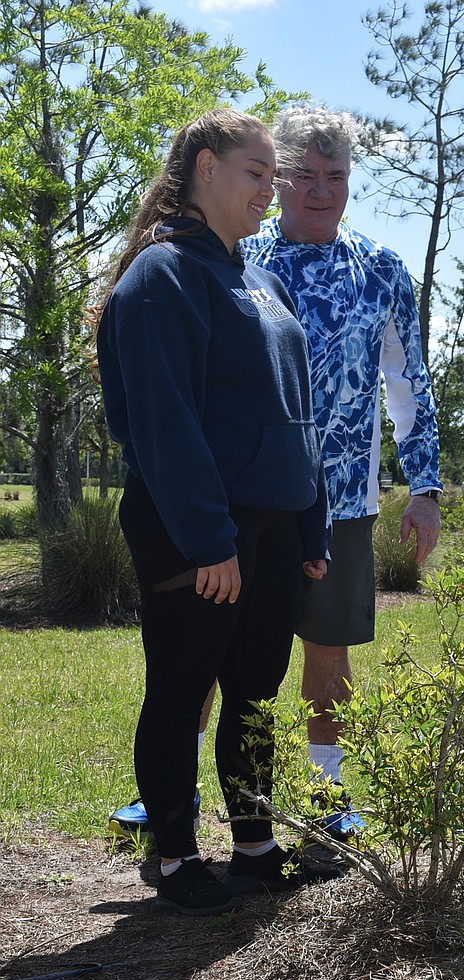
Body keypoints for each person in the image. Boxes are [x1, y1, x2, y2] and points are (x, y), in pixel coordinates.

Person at [110, 102, 441, 877]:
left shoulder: (380, 270)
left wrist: (424, 484)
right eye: (299, 176)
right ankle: (173, 804)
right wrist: (203, 524)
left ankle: (323, 799)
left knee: (313, 659)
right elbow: (165, 401)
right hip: (224, 510)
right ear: (274, 180)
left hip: (332, 503)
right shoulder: (231, 257)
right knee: (202, 663)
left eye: (337, 176)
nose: (319, 190)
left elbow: (408, 383)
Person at [97, 108, 330, 915]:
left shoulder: (261, 281)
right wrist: (208, 540)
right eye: (256, 173)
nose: (271, 190)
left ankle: (256, 850)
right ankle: (175, 858)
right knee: (181, 687)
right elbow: (163, 425)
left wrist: (309, 525)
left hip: (271, 525)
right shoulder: (161, 277)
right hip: (196, 528)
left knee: (256, 692)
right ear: (204, 167)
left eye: (274, 176)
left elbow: (298, 412)